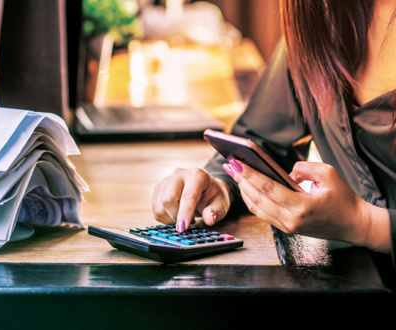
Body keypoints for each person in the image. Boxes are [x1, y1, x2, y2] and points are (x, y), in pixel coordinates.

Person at [152, 0, 396, 265]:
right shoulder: (321, 15)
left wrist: (366, 224)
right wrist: (220, 185)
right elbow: (261, 140)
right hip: (350, 283)